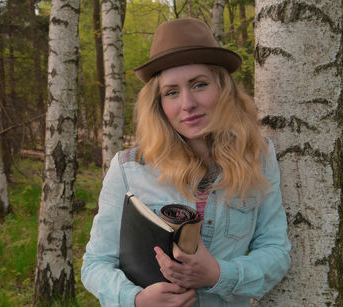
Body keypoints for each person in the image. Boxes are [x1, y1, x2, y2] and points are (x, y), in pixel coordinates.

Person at [81, 18, 290, 307]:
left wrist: (218, 274)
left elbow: (275, 251)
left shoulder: (259, 156)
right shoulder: (129, 168)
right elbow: (95, 264)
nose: (187, 103)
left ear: (223, 88)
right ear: (159, 104)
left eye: (199, 84)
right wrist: (137, 299)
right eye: (172, 92)